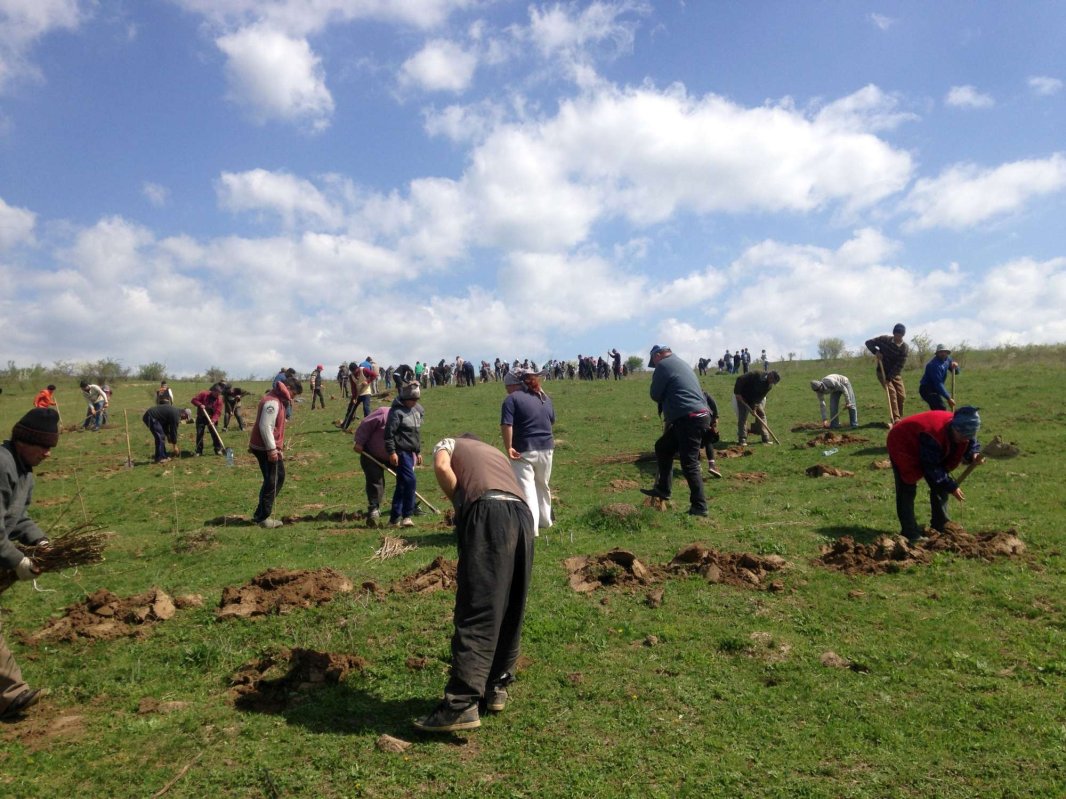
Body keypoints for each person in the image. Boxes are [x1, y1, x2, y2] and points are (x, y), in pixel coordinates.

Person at [413, 434, 534, 733]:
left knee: (479, 603)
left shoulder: (450, 443)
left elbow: (442, 468)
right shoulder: (494, 451)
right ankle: (497, 685)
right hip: (522, 514)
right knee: (509, 602)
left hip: (487, 510)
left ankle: (461, 704)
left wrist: (461, 504)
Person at [1, 407, 60, 720]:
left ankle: (10, 695)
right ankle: (10, 695)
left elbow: (18, 517)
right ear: (24, 441)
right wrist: (17, 560)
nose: (48, 454)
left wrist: (39, 541)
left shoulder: (24, 472)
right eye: (44, 447)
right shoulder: (2, 465)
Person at [886, 406, 984, 542]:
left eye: (968, 436)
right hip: (903, 443)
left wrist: (974, 453)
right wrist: (951, 486)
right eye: (962, 436)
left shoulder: (964, 426)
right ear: (954, 428)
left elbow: (971, 442)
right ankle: (909, 532)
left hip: (927, 445)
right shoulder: (933, 434)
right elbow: (932, 468)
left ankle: (940, 523)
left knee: (940, 485)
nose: (964, 440)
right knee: (907, 488)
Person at [640, 345, 711, 517]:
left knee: (689, 463)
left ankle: (700, 507)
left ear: (657, 356)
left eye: (653, 361)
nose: (654, 365)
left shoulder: (663, 365)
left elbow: (655, 394)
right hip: (694, 417)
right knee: (663, 447)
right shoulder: (681, 363)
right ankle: (663, 489)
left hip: (690, 418)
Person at [500, 368, 555, 534]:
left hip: (522, 449)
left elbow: (506, 425)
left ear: (514, 384)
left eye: (507, 386)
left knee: (526, 488)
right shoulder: (544, 398)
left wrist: (508, 446)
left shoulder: (511, 400)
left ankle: (530, 529)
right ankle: (545, 521)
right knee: (542, 485)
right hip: (546, 447)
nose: (507, 390)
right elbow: (551, 420)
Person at [248, 376, 302, 528]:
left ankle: (260, 514)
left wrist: (278, 448)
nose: (293, 398)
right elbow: (265, 427)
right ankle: (262, 517)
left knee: (276, 477)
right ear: (289, 389)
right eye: (294, 394)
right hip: (264, 448)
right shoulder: (272, 402)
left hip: (267, 447)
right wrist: (272, 450)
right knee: (273, 479)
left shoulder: (276, 399)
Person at [384, 382, 424, 527]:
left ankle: (394, 519)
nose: (415, 403)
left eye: (417, 400)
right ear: (405, 399)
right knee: (411, 481)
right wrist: (392, 452)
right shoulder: (396, 412)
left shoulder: (415, 412)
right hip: (401, 452)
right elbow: (389, 434)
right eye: (413, 400)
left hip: (410, 453)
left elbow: (415, 434)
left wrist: (418, 451)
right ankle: (407, 516)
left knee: (401, 485)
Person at [353, 405, 390, 528]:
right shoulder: (383, 413)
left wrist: (415, 454)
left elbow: (411, 439)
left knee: (407, 477)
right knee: (375, 480)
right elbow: (365, 425)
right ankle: (374, 508)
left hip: (394, 455)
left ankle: (409, 505)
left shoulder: (409, 419)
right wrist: (359, 442)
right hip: (371, 453)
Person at [865, 323, 910, 425]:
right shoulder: (884, 339)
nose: (898, 337)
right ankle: (895, 418)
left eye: (900, 335)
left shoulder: (904, 348)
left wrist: (890, 377)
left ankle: (899, 418)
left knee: (901, 395)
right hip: (882, 372)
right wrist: (876, 352)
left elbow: (899, 365)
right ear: (893, 333)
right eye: (896, 334)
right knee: (892, 393)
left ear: (903, 335)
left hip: (895, 373)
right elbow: (868, 343)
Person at [733, 370, 781, 444]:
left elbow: (760, 397)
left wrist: (754, 408)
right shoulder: (756, 374)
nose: (771, 383)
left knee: (761, 414)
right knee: (743, 416)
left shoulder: (769, 386)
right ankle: (742, 439)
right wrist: (737, 393)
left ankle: (765, 438)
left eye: (773, 382)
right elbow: (740, 379)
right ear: (770, 375)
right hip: (742, 396)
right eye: (772, 380)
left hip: (753, 400)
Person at [918, 345, 960, 411]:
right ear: (937, 353)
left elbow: (956, 372)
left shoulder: (947, 359)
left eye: (945, 352)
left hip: (935, 389)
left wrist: (956, 366)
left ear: (947, 353)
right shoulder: (933, 365)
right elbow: (938, 384)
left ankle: (932, 421)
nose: (943, 354)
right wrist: (949, 398)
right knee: (941, 408)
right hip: (927, 389)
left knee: (937, 410)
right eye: (941, 352)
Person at [190, 385, 224, 456]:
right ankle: (199, 451)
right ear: (213, 391)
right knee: (200, 434)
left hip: (211, 418)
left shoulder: (219, 400)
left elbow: (218, 412)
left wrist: (213, 420)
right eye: (217, 393)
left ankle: (218, 449)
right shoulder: (204, 394)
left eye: (219, 394)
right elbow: (193, 400)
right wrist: (200, 404)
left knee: (215, 434)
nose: (218, 395)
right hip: (201, 417)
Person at [701, 391, 723, 479]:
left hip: (692, 418)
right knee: (708, 441)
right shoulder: (704, 393)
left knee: (695, 442)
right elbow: (713, 404)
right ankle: (712, 465)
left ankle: (697, 466)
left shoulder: (685, 393)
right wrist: (715, 418)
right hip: (706, 418)